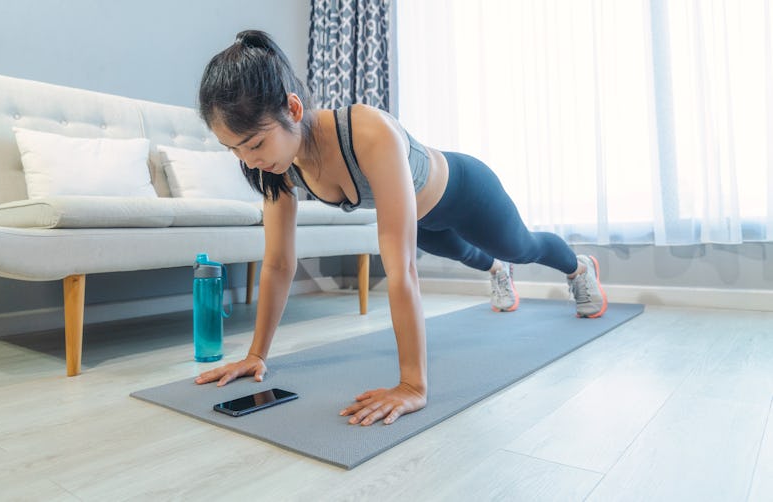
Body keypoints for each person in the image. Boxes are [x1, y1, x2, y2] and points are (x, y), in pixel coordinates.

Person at [194, 30, 607, 426]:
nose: (249, 161)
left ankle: (579, 268)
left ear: (293, 109)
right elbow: (278, 263)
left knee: (520, 247)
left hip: (466, 192)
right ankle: (498, 272)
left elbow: (401, 269)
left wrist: (412, 385)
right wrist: (256, 355)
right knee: (468, 255)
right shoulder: (276, 167)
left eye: (254, 144)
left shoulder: (367, 131)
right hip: (422, 219)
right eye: (234, 150)